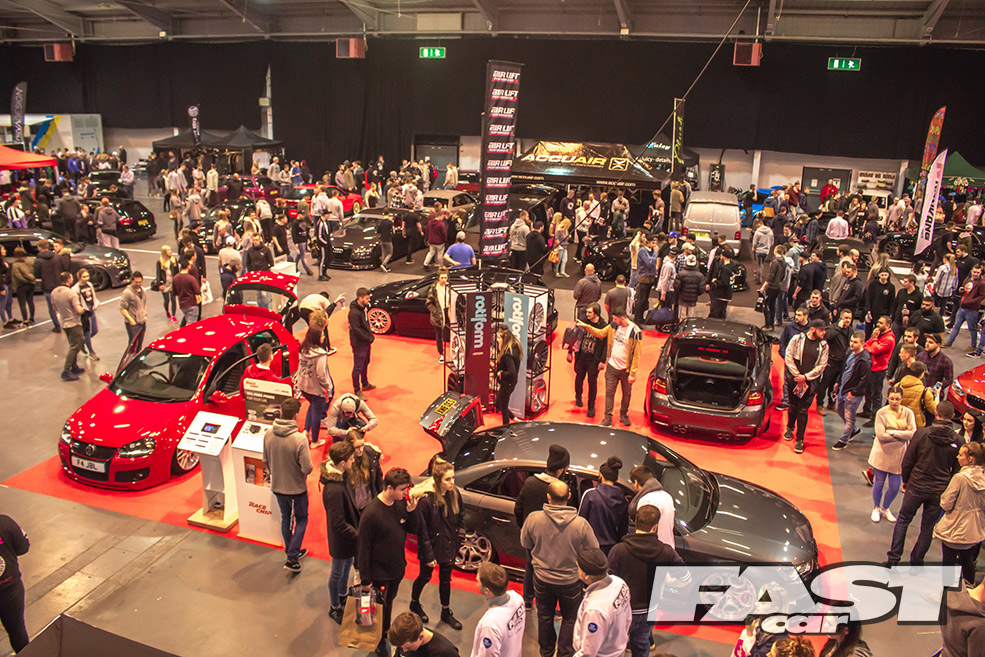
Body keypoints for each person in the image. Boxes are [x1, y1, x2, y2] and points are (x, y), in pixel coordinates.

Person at [520, 480, 599, 657]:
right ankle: (565, 653)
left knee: (544, 616)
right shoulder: (581, 524)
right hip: (571, 581)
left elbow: (525, 542)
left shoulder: (533, 519)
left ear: (548, 497)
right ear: (569, 497)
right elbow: (594, 548)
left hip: (542, 579)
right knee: (570, 618)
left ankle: (546, 652)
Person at [886, 400, 961, 566]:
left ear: (936, 413)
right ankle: (917, 561)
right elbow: (957, 470)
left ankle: (893, 558)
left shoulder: (921, 434)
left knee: (903, 520)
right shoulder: (958, 440)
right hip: (939, 490)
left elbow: (908, 460)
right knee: (928, 527)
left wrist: (906, 480)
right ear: (953, 416)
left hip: (916, 485)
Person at [608, 505, 686, 657]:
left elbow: (608, 581)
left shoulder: (619, 550)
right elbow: (685, 577)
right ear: (655, 527)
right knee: (642, 643)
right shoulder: (666, 552)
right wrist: (666, 582)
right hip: (649, 611)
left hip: (622, 610)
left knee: (614, 647)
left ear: (635, 522)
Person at [358, 468, 419, 657]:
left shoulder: (400, 504)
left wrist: (412, 512)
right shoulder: (371, 513)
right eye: (402, 489)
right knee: (377, 608)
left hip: (396, 569)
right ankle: (377, 640)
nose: (405, 493)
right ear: (390, 488)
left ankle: (384, 633)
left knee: (389, 603)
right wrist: (366, 580)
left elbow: (412, 529)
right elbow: (363, 549)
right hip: (379, 573)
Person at [409, 459, 464, 630]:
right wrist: (429, 555)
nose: (452, 482)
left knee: (445, 580)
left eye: (453, 478)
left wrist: (458, 539)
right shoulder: (426, 501)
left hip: (449, 544)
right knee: (425, 577)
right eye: (448, 479)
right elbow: (422, 531)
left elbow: (460, 517)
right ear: (438, 480)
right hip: (432, 546)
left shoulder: (455, 494)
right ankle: (414, 602)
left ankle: (445, 611)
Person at [514, 445, 570, 609]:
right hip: (554, 539)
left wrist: (525, 528)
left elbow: (518, 508)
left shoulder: (530, 482)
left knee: (530, 567)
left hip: (533, 537)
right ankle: (548, 605)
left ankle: (527, 601)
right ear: (560, 470)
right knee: (551, 573)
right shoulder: (560, 489)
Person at [262, 398, 312, 573]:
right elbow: (307, 468)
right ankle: (292, 555)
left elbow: (265, 460)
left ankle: (292, 552)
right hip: (297, 488)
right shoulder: (300, 439)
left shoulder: (268, 434)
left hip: (277, 486)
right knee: (301, 519)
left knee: (286, 518)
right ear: (296, 415)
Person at [932, 441, 985, 586]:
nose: (957, 457)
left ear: (970, 459)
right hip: (974, 530)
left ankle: (948, 594)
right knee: (968, 561)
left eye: (961, 455)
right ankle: (969, 591)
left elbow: (946, 503)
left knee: (948, 563)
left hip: (955, 528)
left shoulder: (959, 478)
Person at [578, 309, 642, 428]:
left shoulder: (635, 332)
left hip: (626, 370)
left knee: (626, 394)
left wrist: (633, 373)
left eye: (615, 319)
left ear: (622, 318)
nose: (613, 321)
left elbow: (637, 354)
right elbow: (600, 333)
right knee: (609, 393)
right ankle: (607, 418)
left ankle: (623, 414)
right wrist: (586, 326)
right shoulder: (613, 326)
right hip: (612, 367)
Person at [571, 547, 631, 657]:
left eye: (578, 567)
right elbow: (628, 618)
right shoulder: (619, 583)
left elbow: (588, 652)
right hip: (617, 648)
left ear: (586, 575)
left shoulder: (595, 610)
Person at [783, 319, 829, 453]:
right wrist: (797, 375)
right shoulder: (797, 339)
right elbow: (788, 357)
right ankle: (790, 427)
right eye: (821, 330)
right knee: (792, 406)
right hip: (794, 380)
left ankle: (800, 439)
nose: (824, 333)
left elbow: (821, 366)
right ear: (813, 329)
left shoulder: (824, 346)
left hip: (810, 383)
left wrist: (805, 377)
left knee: (803, 410)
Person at [471, 561, 525, 657]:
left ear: (486, 590)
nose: (477, 584)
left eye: (478, 581)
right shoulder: (517, 598)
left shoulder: (490, 625)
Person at [578, 456, 628, 555]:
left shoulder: (591, 495)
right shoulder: (623, 500)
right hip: (611, 550)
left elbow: (581, 523)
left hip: (591, 549)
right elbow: (623, 530)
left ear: (600, 475)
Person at [832, 332, 871, 451]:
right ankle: (854, 429)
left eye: (855, 342)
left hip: (853, 394)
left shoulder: (865, 360)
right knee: (839, 410)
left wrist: (854, 392)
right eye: (851, 341)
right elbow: (843, 369)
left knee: (849, 417)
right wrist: (838, 382)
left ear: (862, 343)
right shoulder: (849, 352)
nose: (852, 344)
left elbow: (865, 379)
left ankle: (843, 440)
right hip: (843, 388)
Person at [296, 323, 333, 448]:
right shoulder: (320, 354)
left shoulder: (303, 349)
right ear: (317, 338)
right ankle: (315, 441)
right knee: (317, 412)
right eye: (322, 335)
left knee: (312, 406)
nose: (323, 337)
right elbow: (321, 374)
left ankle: (306, 431)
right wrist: (327, 386)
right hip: (316, 388)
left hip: (303, 385)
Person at [0, 514, 30, 653]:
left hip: (10, 589)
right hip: (10, 588)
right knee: (17, 629)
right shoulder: (5, 523)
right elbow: (23, 547)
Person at [571, 303, 606, 418]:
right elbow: (575, 337)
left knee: (592, 383)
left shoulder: (603, 326)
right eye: (587, 312)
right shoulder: (583, 322)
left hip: (593, 360)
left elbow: (606, 345)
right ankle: (578, 396)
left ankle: (591, 406)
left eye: (589, 312)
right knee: (579, 378)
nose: (587, 314)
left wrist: (602, 361)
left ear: (596, 313)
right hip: (581, 357)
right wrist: (570, 352)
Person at [627, 465, 675, 546]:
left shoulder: (646, 500)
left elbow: (643, 531)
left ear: (636, 482)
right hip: (668, 545)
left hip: (653, 547)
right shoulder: (667, 496)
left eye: (632, 483)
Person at [861, 316, 896, 424]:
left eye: (881, 323)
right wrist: (873, 342)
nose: (878, 324)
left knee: (876, 394)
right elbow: (865, 344)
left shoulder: (889, 339)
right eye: (878, 322)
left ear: (888, 325)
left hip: (879, 369)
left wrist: (875, 338)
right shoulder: (879, 334)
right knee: (868, 390)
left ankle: (875, 417)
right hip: (871, 366)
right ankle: (867, 410)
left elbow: (874, 350)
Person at [51, 272, 85, 381]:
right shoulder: (71, 294)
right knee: (76, 346)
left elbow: (55, 308)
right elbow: (78, 310)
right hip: (74, 323)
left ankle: (74, 367)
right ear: (69, 280)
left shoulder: (54, 292)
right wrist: (84, 309)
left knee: (72, 344)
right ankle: (66, 370)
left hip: (64, 322)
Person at [946, 264, 985, 349]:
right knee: (956, 326)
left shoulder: (982, 283)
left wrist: (972, 301)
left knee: (972, 328)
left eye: (977, 272)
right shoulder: (968, 279)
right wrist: (961, 290)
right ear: (971, 271)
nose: (975, 274)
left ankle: (973, 345)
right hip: (962, 307)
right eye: (974, 272)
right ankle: (949, 342)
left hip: (972, 309)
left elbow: (982, 296)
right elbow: (964, 288)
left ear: (980, 273)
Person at [387, 612, 459, 657]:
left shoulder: (446, 653)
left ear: (421, 637)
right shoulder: (404, 641)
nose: (404, 650)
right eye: (401, 648)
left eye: (408, 648)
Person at [349, 287, 376, 399]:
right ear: (360, 298)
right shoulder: (354, 313)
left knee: (365, 362)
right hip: (359, 343)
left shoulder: (363, 308)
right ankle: (357, 390)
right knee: (358, 367)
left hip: (365, 341)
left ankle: (365, 384)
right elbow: (356, 330)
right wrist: (368, 338)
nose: (369, 300)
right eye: (367, 298)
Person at [494, 325, 522, 426]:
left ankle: (506, 427)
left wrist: (500, 373)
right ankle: (514, 418)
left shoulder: (507, 355)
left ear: (504, 339)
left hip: (507, 384)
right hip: (511, 383)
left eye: (498, 338)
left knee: (503, 407)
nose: (497, 340)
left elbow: (512, 372)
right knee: (498, 403)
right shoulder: (515, 346)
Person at [33, 239, 64, 332]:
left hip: (47, 286)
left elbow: (37, 274)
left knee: (52, 308)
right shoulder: (57, 257)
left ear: (39, 247)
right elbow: (62, 268)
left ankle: (57, 326)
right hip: (59, 284)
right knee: (63, 305)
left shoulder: (38, 260)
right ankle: (66, 324)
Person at [72, 268, 99, 360]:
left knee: (95, 330)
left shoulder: (89, 285)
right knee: (87, 332)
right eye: (84, 277)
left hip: (91, 309)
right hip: (84, 312)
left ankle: (82, 342)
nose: (86, 278)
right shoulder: (75, 289)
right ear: (79, 277)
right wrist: (81, 310)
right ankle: (91, 352)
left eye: (87, 276)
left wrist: (95, 304)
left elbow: (93, 296)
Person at [760, 245, 788, 330]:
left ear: (776, 251)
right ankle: (771, 324)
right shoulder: (784, 262)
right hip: (777, 287)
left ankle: (768, 324)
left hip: (771, 287)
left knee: (766, 306)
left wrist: (763, 287)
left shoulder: (775, 262)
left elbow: (770, 276)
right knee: (772, 306)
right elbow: (783, 276)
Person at [633, 235, 659, 324]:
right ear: (648, 242)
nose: (655, 245)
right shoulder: (643, 251)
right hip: (644, 278)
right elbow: (649, 263)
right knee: (642, 299)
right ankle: (637, 318)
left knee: (645, 299)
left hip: (650, 278)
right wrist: (655, 253)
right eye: (653, 243)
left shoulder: (652, 251)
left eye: (655, 243)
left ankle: (641, 317)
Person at [119, 271, 147, 351]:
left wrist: (145, 315)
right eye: (136, 282)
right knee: (133, 344)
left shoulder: (143, 291)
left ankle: (138, 355)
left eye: (140, 282)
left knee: (140, 343)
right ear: (132, 281)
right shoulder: (127, 293)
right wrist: (130, 320)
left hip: (142, 321)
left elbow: (144, 304)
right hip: (133, 324)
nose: (138, 284)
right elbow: (122, 308)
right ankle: (130, 357)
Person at [427, 268, 451, 362]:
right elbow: (429, 303)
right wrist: (435, 312)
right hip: (437, 315)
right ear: (438, 278)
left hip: (448, 313)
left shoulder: (449, 287)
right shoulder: (434, 288)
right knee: (439, 335)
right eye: (442, 278)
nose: (444, 280)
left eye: (445, 277)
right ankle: (441, 354)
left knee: (450, 334)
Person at [675, 254, 706, 321]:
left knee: (682, 316)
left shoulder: (681, 274)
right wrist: (695, 294)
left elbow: (676, 287)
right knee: (691, 316)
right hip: (693, 299)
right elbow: (702, 289)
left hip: (682, 298)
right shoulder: (700, 276)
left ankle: (681, 326)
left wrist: (680, 293)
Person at [172, 260, 202, 327]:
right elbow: (197, 291)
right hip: (191, 303)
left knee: (187, 319)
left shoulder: (175, 278)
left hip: (182, 304)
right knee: (191, 324)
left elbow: (174, 292)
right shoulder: (191, 278)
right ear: (188, 266)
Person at [156, 245, 180, 322]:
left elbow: (177, 272)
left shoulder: (174, 260)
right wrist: (159, 284)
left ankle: (173, 315)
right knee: (166, 300)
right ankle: (167, 311)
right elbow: (158, 274)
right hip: (165, 284)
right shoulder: (160, 262)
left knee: (173, 300)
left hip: (172, 283)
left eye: (170, 250)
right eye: (168, 250)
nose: (170, 251)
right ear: (164, 252)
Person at [752, 219, 773, 284]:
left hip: (759, 251)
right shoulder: (770, 231)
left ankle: (759, 279)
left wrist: (754, 248)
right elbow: (772, 242)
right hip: (766, 251)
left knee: (759, 265)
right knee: (762, 264)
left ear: (758, 224)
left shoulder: (757, 232)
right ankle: (760, 274)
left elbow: (755, 243)